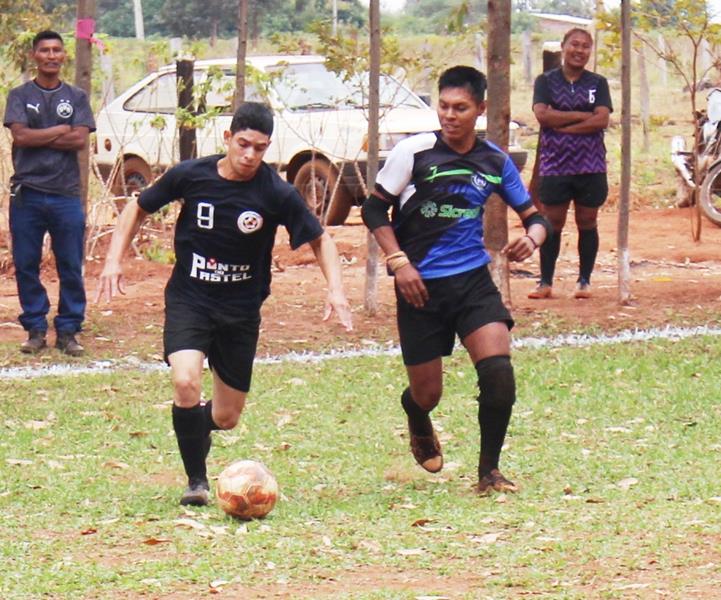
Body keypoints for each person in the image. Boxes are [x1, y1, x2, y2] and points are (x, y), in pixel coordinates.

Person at [96, 102, 353, 506]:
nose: (250, 155)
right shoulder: (192, 175)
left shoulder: (275, 192)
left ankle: (197, 429)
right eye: (244, 144)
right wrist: (114, 261)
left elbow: (321, 239)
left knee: (225, 417)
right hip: (190, 299)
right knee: (185, 381)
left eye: (260, 148)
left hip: (240, 309)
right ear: (228, 138)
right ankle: (196, 481)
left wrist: (336, 290)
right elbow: (137, 207)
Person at [361, 66, 550, 494]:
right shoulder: (414, 153)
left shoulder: (495, 161)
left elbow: (535, 218)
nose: (449, 115)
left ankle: (489, 473)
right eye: (443, 106)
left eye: (460, 108)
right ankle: (415, 414)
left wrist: (531, 240)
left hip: (471, 283)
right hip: (419, 287)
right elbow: (374, 210)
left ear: (480, 109)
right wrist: (398, 261)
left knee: (499, 373)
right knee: (427, 394)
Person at [4, 30, 95, 356]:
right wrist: (58, 130)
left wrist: (37, 133)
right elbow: (20, 138)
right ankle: (36, 328)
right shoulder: (18, 95)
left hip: (65, 194)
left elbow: (79, 140)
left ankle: (69, 330)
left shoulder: (77, 97)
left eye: (57, 50)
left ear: (64, 55)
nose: (52, 55)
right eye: (45, 50)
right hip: (27, 193)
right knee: (26, 263)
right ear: (35, 55)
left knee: (70, 263)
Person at [528, 27, 613, 300]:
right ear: (563, 47)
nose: (580, 50)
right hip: (555, 164)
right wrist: (582, 116)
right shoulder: (545, 81)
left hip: (591, 165)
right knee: (552, 221)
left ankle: (584, 281)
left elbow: (602, 119)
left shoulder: (598, 83)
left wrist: (563, 122)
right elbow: (542, 116)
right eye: (574, 44)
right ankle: (545, 282)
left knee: (587, 220)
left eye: (586, 46)